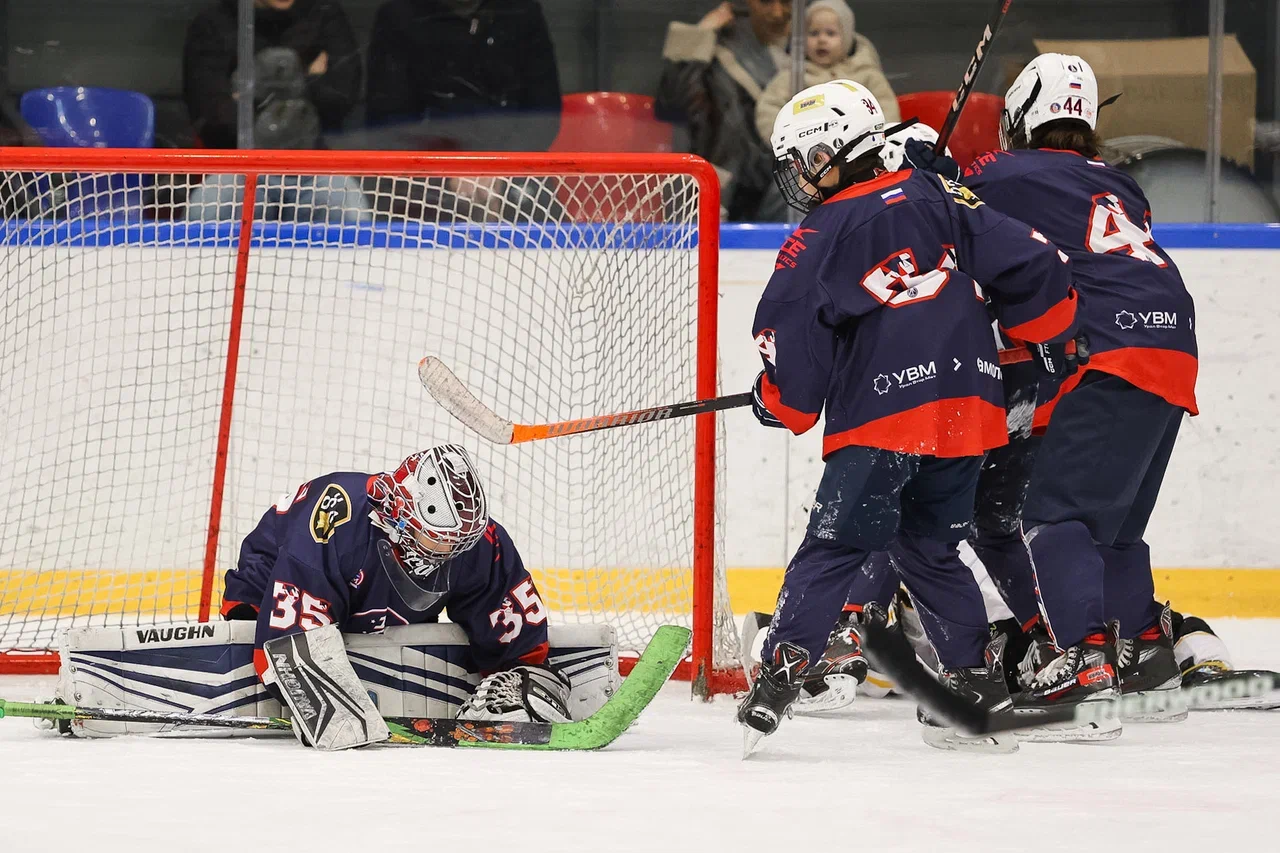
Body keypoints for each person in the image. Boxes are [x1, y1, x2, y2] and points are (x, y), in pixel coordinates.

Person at [738, 79, 1078, 755]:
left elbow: (792, 353)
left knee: (835, 545)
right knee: (928, 548)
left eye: (805, 161)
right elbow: (1038, 264)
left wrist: (775, 398)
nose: (801, 179)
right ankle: (976, 687)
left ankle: (777, 679)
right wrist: (1043, 331)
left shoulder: (819, 234)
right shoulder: (940, 193)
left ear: (835, 152)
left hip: (886, 417)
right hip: (971, 412)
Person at [906, 53, 1199, 732]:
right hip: (1173, 343)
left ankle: (1084, 663)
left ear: (1021, 117)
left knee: (1051, 514)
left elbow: (955, 202)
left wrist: (926, 172)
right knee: (1114, 529)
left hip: (1114, 346)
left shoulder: (1009, 173)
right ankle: (1141, 652)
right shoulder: (1119, 184)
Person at [221, 444, 571, 730]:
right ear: (402, 515)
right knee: (256, 619)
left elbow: (506, 611)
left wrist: (524, 670)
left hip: (384, 604)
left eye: (458, 544)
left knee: (468, 565)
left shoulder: (469, 541)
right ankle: (246, 621)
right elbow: (288, 645)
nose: (449, 554)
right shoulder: (335, 523)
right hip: (275, 570)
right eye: (437, 542)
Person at [655, 0, 792, 221]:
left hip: (777, 192)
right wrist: (700, 35)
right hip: (725, 191)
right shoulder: (718, 55)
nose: (778, 13)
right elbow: (672, 104)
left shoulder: (811, 47)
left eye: (786, 2)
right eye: (766, 2)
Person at [364, 0, 561, 152]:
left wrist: (499, 167)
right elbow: (388, 122)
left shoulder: (521, 12)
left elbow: (544, 114)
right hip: (424, 171)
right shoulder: (399, 16)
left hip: (512, 165)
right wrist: (452, 168)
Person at [183, 0, 361, 150]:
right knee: (212, 193)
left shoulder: (324, 14)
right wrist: (307, 79)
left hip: (316, 161)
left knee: (347, 192)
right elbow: (214, 119)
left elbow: (341, 98)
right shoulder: (212, 24)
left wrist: (247, 96)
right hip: (236, 163)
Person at [754, 0, 898, 144]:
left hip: (861, 149)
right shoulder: (792, 77)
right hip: (809, 154)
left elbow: (886, 107)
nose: (821, 40)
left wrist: (878, 138)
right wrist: (786, 142)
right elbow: (768, 109)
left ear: (846, 38)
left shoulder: (866, 74)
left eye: (830, 33)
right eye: (813, 33)